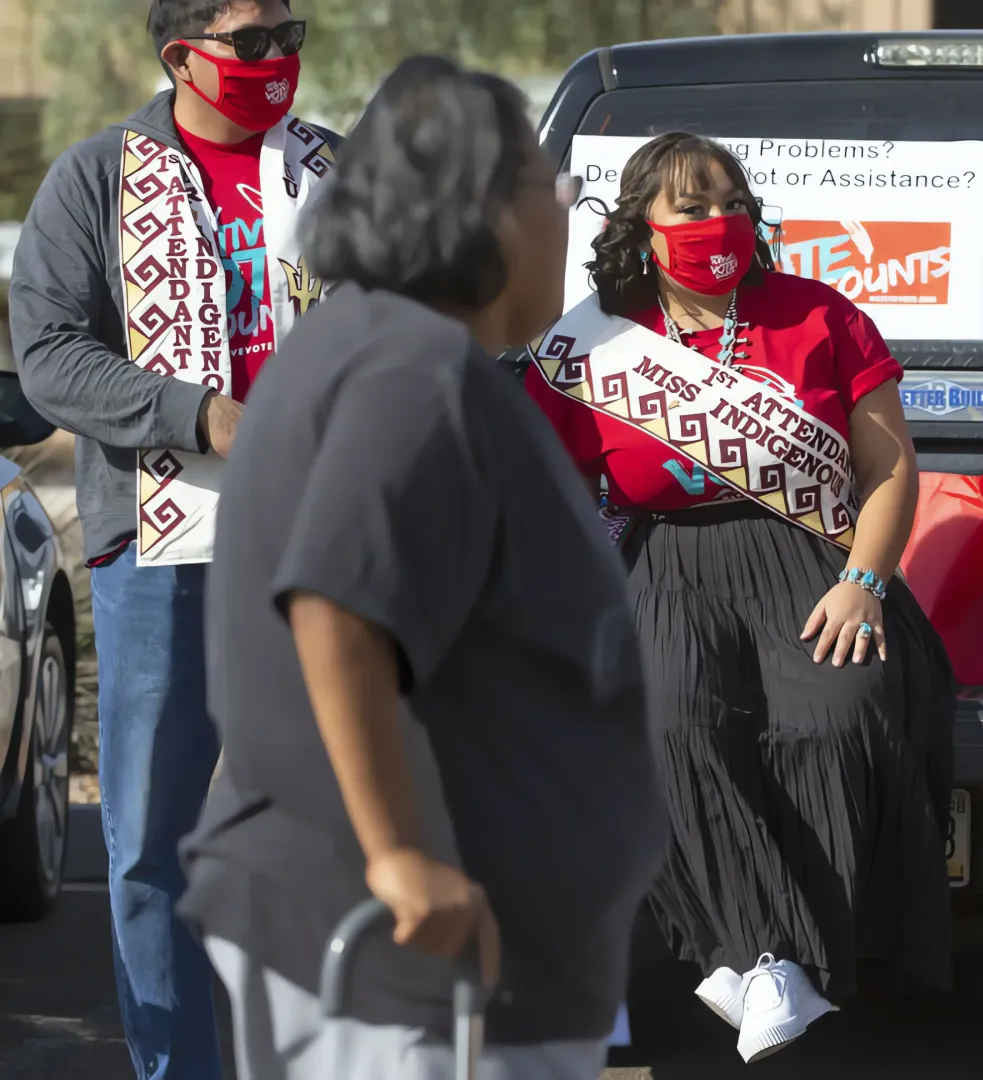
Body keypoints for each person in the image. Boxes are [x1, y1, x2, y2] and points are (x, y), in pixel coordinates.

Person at [175, 56, 667, 1080]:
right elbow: (338, 605)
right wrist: (400, 856)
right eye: (559, 191)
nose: (570, 220)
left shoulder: (374, 347)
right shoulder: (414, 371)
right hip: (415, 977)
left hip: (432, 974)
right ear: (485, 212)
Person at [523, 132, 956, 1063]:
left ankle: (802, 963)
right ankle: (761, 957)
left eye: (732, 201)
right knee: (665, 723)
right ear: (644, 221)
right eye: (692, 205)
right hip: (669, 565)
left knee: (843, 715)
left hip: (817, 563)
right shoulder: (596, 340)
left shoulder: (820, 316)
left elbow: (887, 470)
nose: (719, 221)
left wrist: (865, 583)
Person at [8, 1, 333, 1074]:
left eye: (291, 36)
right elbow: (49, 354)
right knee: (153, 844)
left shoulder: (335, 170)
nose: (277, 60)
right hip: (162, 552)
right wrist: (203, 415)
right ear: (180, 55)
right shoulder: (97, 177)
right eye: (253, 41)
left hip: (326, 545)